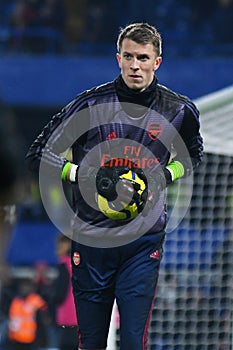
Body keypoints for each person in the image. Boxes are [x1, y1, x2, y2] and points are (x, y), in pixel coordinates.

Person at [25, 22, 204, 350]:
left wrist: (165, 175)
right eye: (129, 56)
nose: (135, 65)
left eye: (143, 58)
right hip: (92, 241)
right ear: (117, 59)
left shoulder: (178, 110)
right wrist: (84, 175)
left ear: (157, 62)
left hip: (142, 243)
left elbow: (193, 156)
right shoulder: (90, 106)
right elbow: (39, 155)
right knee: (91, 343)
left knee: (134, 343)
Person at [48, 234, 78, 350]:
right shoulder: (78, 264)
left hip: (67, 318)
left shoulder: (64, 265)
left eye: (59, 246)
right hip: (80, 317)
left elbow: (59, 294)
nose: (56, 250)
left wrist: (50, 298)